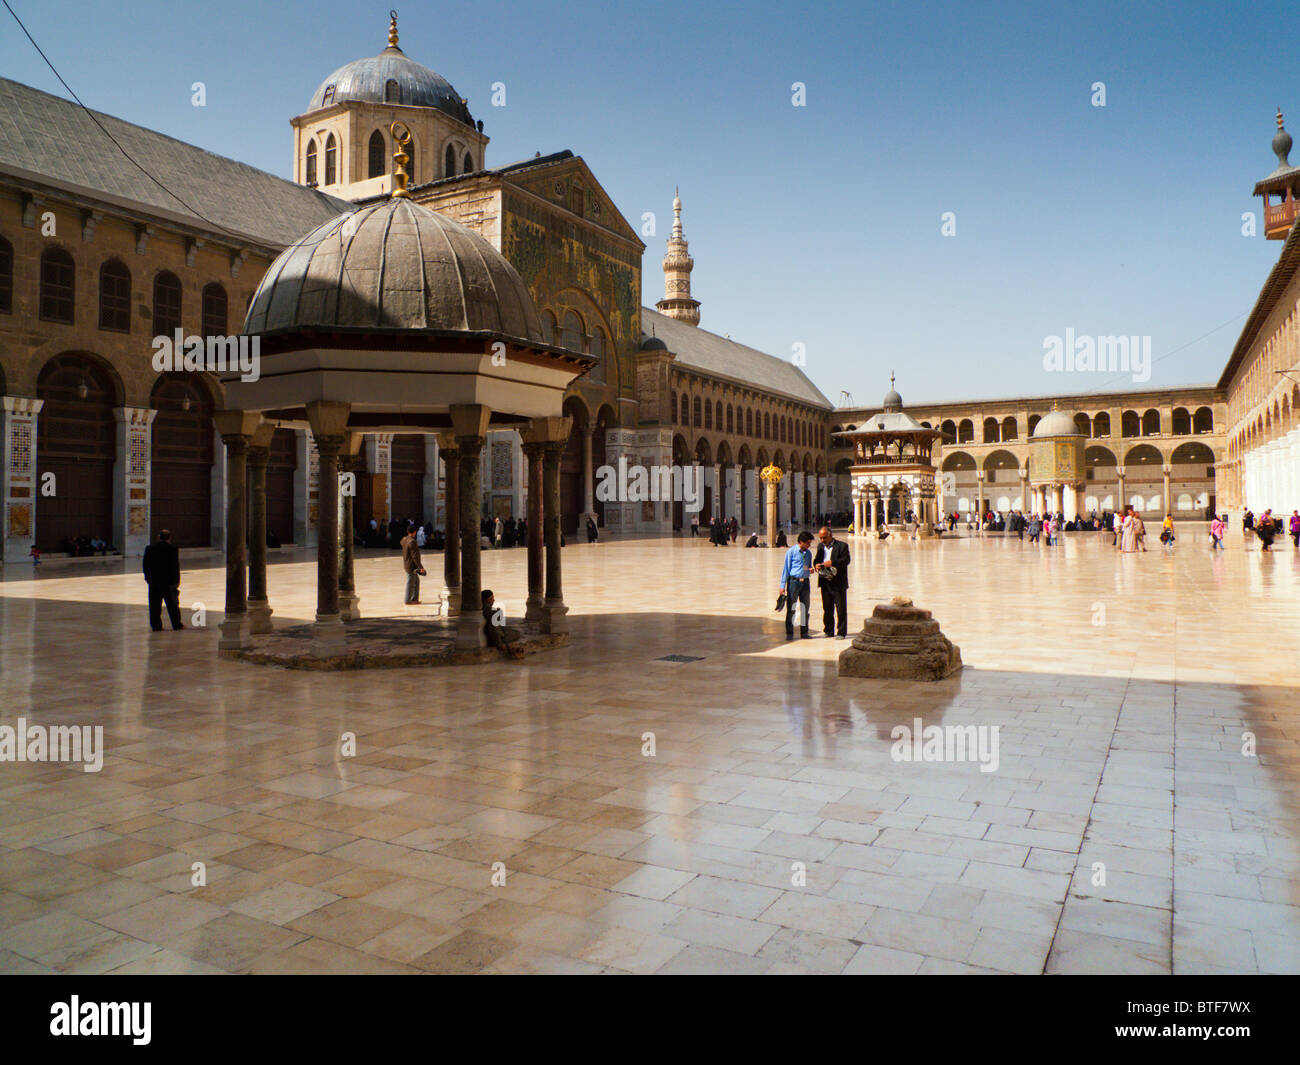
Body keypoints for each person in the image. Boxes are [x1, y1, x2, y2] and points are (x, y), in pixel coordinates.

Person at [812, 526, 851, 639]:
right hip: (825, 581)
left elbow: (846, 560)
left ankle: (841, 632)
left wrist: (832, 563)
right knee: (827, 607)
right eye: (820, 538)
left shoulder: (842, 546)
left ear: (830, 535)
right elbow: (817, 559)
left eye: (824, 537)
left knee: (841, 608)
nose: (822, 540)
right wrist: (816, 565)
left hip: (838, 582)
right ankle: (829, 630)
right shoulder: (820, 546)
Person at [142, 529, 183, 631]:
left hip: (154, 582)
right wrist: (176, 581)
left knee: (154, 605)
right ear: (169, 538)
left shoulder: (150, 548)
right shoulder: (172, 549)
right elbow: (175, 566)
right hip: (168, 582)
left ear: (159, 537)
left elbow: (145, 565)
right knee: (172, 605)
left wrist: (148, 578)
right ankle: (176, 624)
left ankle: (156, 626)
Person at [779, 531, 814, 640]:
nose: (809, 545)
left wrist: (810, 570)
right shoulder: (791, 552)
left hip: (805, 583)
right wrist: (782, 585)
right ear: (801, 542)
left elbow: (806, 566)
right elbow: (786, 569)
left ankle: (804, 632)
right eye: (807, 543)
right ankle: (789, 632)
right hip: (794, 582)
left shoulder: (808, 553)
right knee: (791, 608)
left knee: (805, 607)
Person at [482, 590, 526, 659]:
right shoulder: (491, 613)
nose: (494, 600)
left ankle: (511, 647)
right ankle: (511, 648)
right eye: (492, 598)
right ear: (488, 599)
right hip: (495, 638)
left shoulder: (482, 610)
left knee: (510, 631)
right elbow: (493, 628)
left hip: (489, 635)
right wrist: (500, 644)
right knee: (516, 633)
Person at [401, 526, 426, 604]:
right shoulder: (412, 542)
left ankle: (414, 599)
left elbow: (402, 543)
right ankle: (407, 600)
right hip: (411, 566)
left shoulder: (404, 539)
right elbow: (415, 556)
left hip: (407, 564)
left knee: (416, 582)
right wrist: (421, 567)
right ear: (414, 532)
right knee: (411, 583)